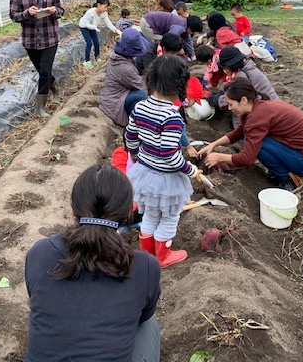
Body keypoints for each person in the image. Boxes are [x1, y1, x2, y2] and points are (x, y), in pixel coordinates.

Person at [24, 165, 161, 362]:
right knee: (149, 325)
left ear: (73, 210)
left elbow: (35, 295)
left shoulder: (40, 252)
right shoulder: (145, 266)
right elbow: (144, 315)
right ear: (127, 215)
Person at [126, 55, 201, 268]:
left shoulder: (140, 107)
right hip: (166, 179)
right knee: (169, 217)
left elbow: (130, 135)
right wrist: (190, 169)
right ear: (180, 85)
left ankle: (147, 254)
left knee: (149, 212)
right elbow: (169, 154)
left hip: (144, 174)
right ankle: (162, 257)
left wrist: (136, 155)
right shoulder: (172, 117)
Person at [198, 78, 303, 191]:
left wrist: (219, 157)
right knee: (250, 138)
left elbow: (247, 159)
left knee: (257, 144)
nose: (229, 108)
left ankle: (289, 179)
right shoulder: (256, 107)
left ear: (243, 100)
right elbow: (239, 132)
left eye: (231, 104)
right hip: (302, 153)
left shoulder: (258, 116)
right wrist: (213, 144)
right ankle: (282, 170)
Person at [9, 0, 64, 118]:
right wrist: (27, 13)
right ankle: (55, 87)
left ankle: (41, 107)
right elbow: (13, 15)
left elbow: (61, 10)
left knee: (45, 72)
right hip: (30, 40)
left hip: (49, 38)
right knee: (42, 71)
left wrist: (55, 11)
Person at [209, 45, 279, 126]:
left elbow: (232, 99)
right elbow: (230, 84)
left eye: (225, 68)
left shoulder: (243, 76)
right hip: (272, 105)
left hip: (268, 112)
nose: (224, 70)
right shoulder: (247, 67)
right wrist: (221, 91)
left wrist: (215, 99)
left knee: (238, 111)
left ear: (230, 65)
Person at [99, 28, 148, 127]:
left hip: (114, 95)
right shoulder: (125, 68)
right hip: (113, 103)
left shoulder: (118, 56)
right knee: (143, 95)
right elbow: (141, 86)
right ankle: (134, 124)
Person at [78, 0, 122, 69]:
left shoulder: (104, 14)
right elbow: (85, 23)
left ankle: (97, 58)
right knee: (89, 43)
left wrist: (116, 30)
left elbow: (108, 23)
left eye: (107, 7)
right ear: (98, 5)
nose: (106, 9)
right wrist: (92, 27)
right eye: (105, 7)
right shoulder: (90, 12)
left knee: (96, 43)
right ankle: (87, 61)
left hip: (93, 28)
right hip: (84, 27)